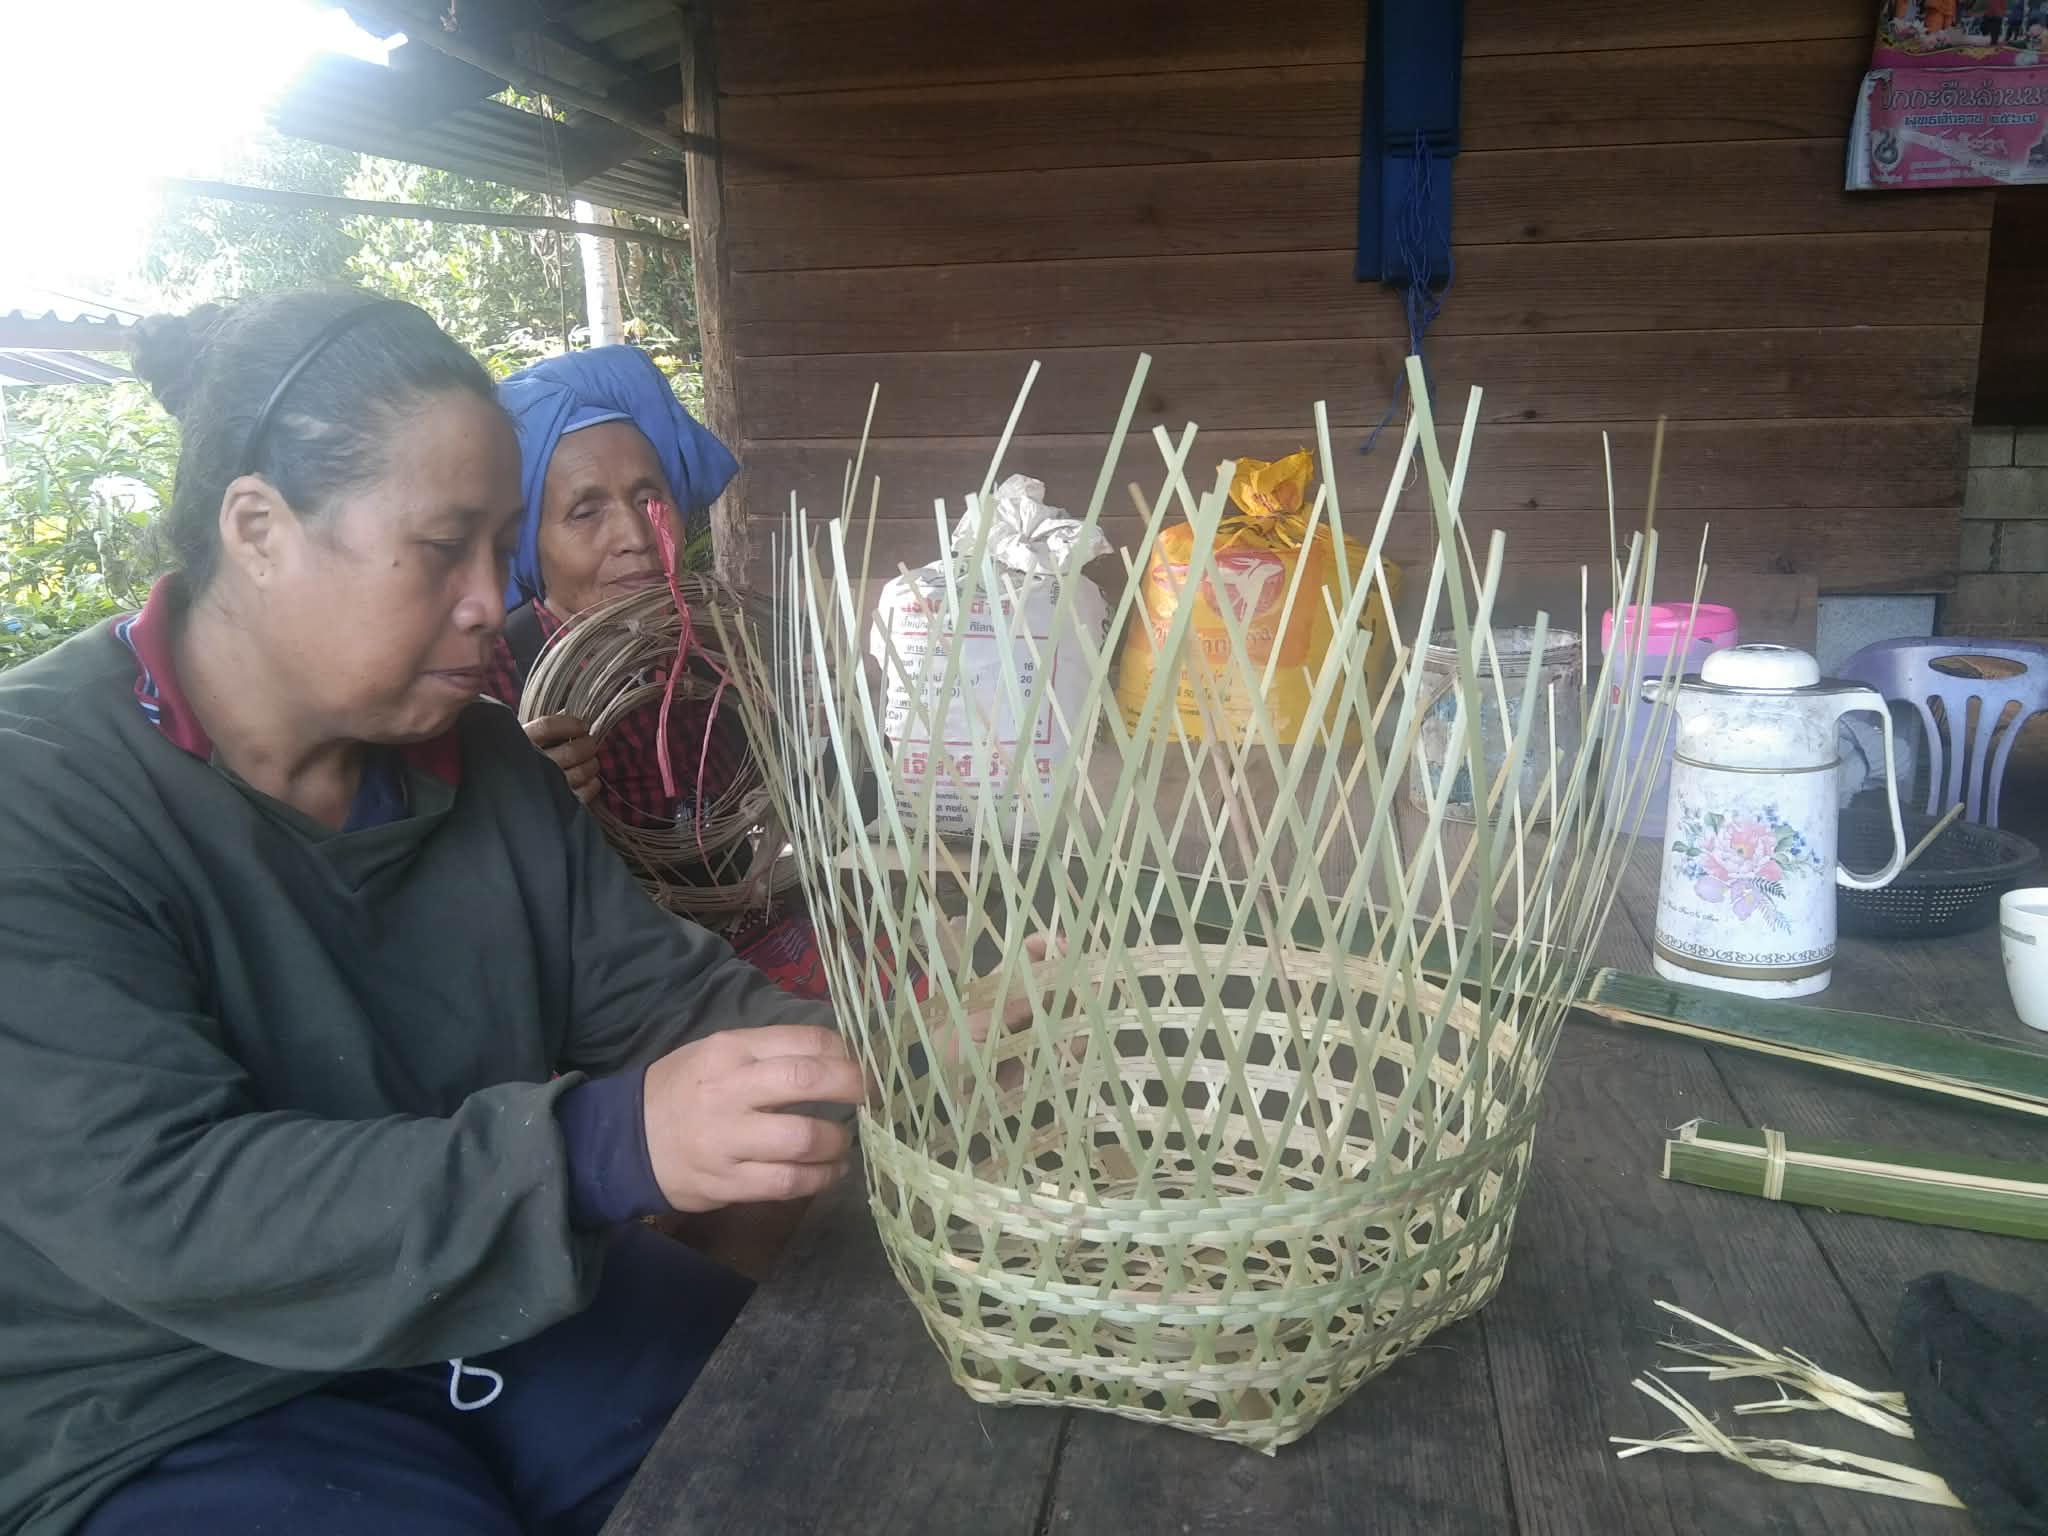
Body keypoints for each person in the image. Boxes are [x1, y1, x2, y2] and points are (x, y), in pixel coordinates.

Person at [0, 292, 898, 1536]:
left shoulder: (483, 762)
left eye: (500, 544)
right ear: (258, 528)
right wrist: (601, 1145)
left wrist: (909, 1057)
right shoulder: (40, 792)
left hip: (500, 1306)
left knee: (850, 1438)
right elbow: (167, 1201)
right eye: (442, 547)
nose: (491, 599)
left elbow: (670, 1000)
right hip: (169, 1398)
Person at [486, 345, 828, 1000]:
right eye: (586, 512)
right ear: (530, 538)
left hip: (752, 940)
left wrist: (843, 736)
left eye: (650, 498)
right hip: (604, 992)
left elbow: (829, 821)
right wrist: (516, 802)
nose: (637, 537)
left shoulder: (732, 641)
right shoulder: (493, 680)